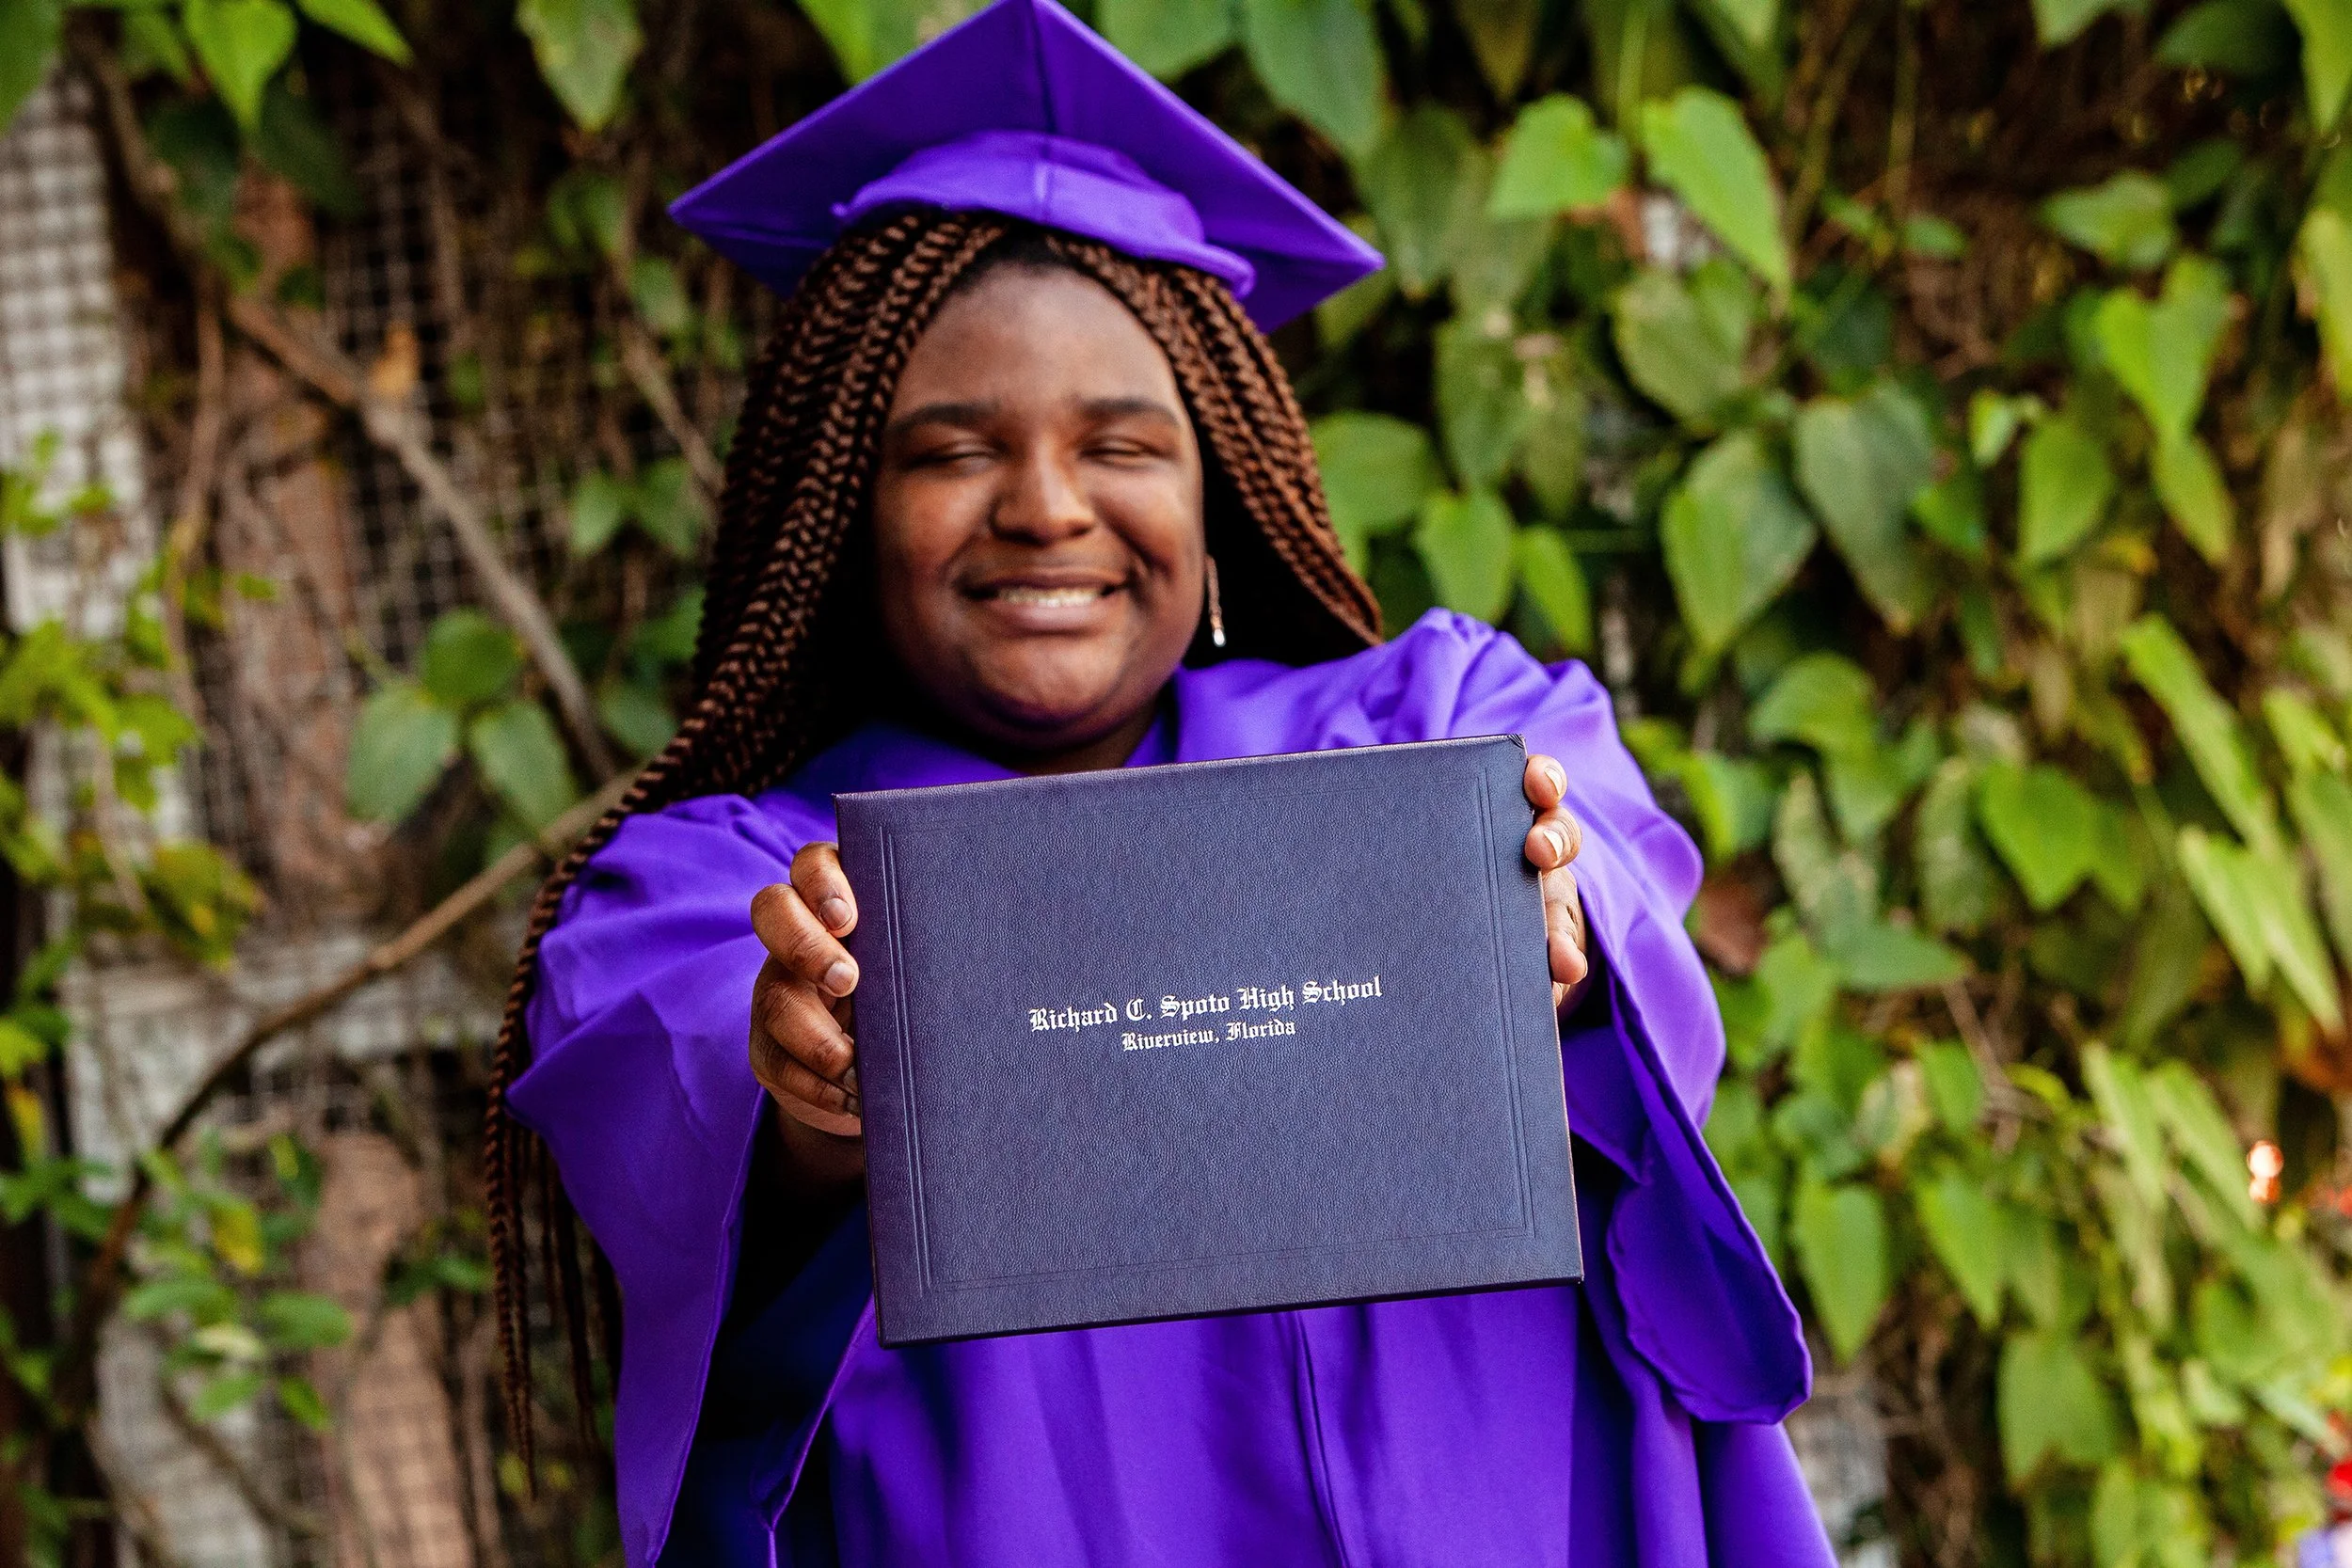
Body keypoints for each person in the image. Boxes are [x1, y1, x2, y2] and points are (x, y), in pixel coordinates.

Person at [489, 2, 1835, 1562]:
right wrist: (799, 1083)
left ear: (1220, 504)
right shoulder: (729, 885)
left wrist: (1554, 909)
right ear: (844, 519)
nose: (1045, 506)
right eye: (948, 452)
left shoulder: (1431, 721)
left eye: (1122, 443)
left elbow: (1605, 851)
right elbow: (672, 1055)